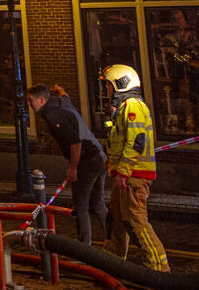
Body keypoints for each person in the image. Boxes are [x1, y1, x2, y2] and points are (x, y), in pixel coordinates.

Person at [101, 64, 167, 273]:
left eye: (109, 85)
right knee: (117, 218)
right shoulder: (124, 107)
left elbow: (136, 141)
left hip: (134, 175)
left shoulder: (132, 106)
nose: (107, 89)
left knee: (136, 221)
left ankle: (158, 268)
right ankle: (112, 260)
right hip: (126, 174)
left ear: (121, 84)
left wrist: (124, 171)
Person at [26, 83, 106, 244]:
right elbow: (64, 94)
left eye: (31, 100)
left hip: (86, 161)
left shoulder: (54, 116)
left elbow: (75, 142)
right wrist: (60, 90)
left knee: (81, 205)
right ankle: (117, 238)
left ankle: (84, 248)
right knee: (97, 203)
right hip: (99, 156)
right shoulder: (62, 102)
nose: (29, 104)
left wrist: (73, 168)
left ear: (41, 100)